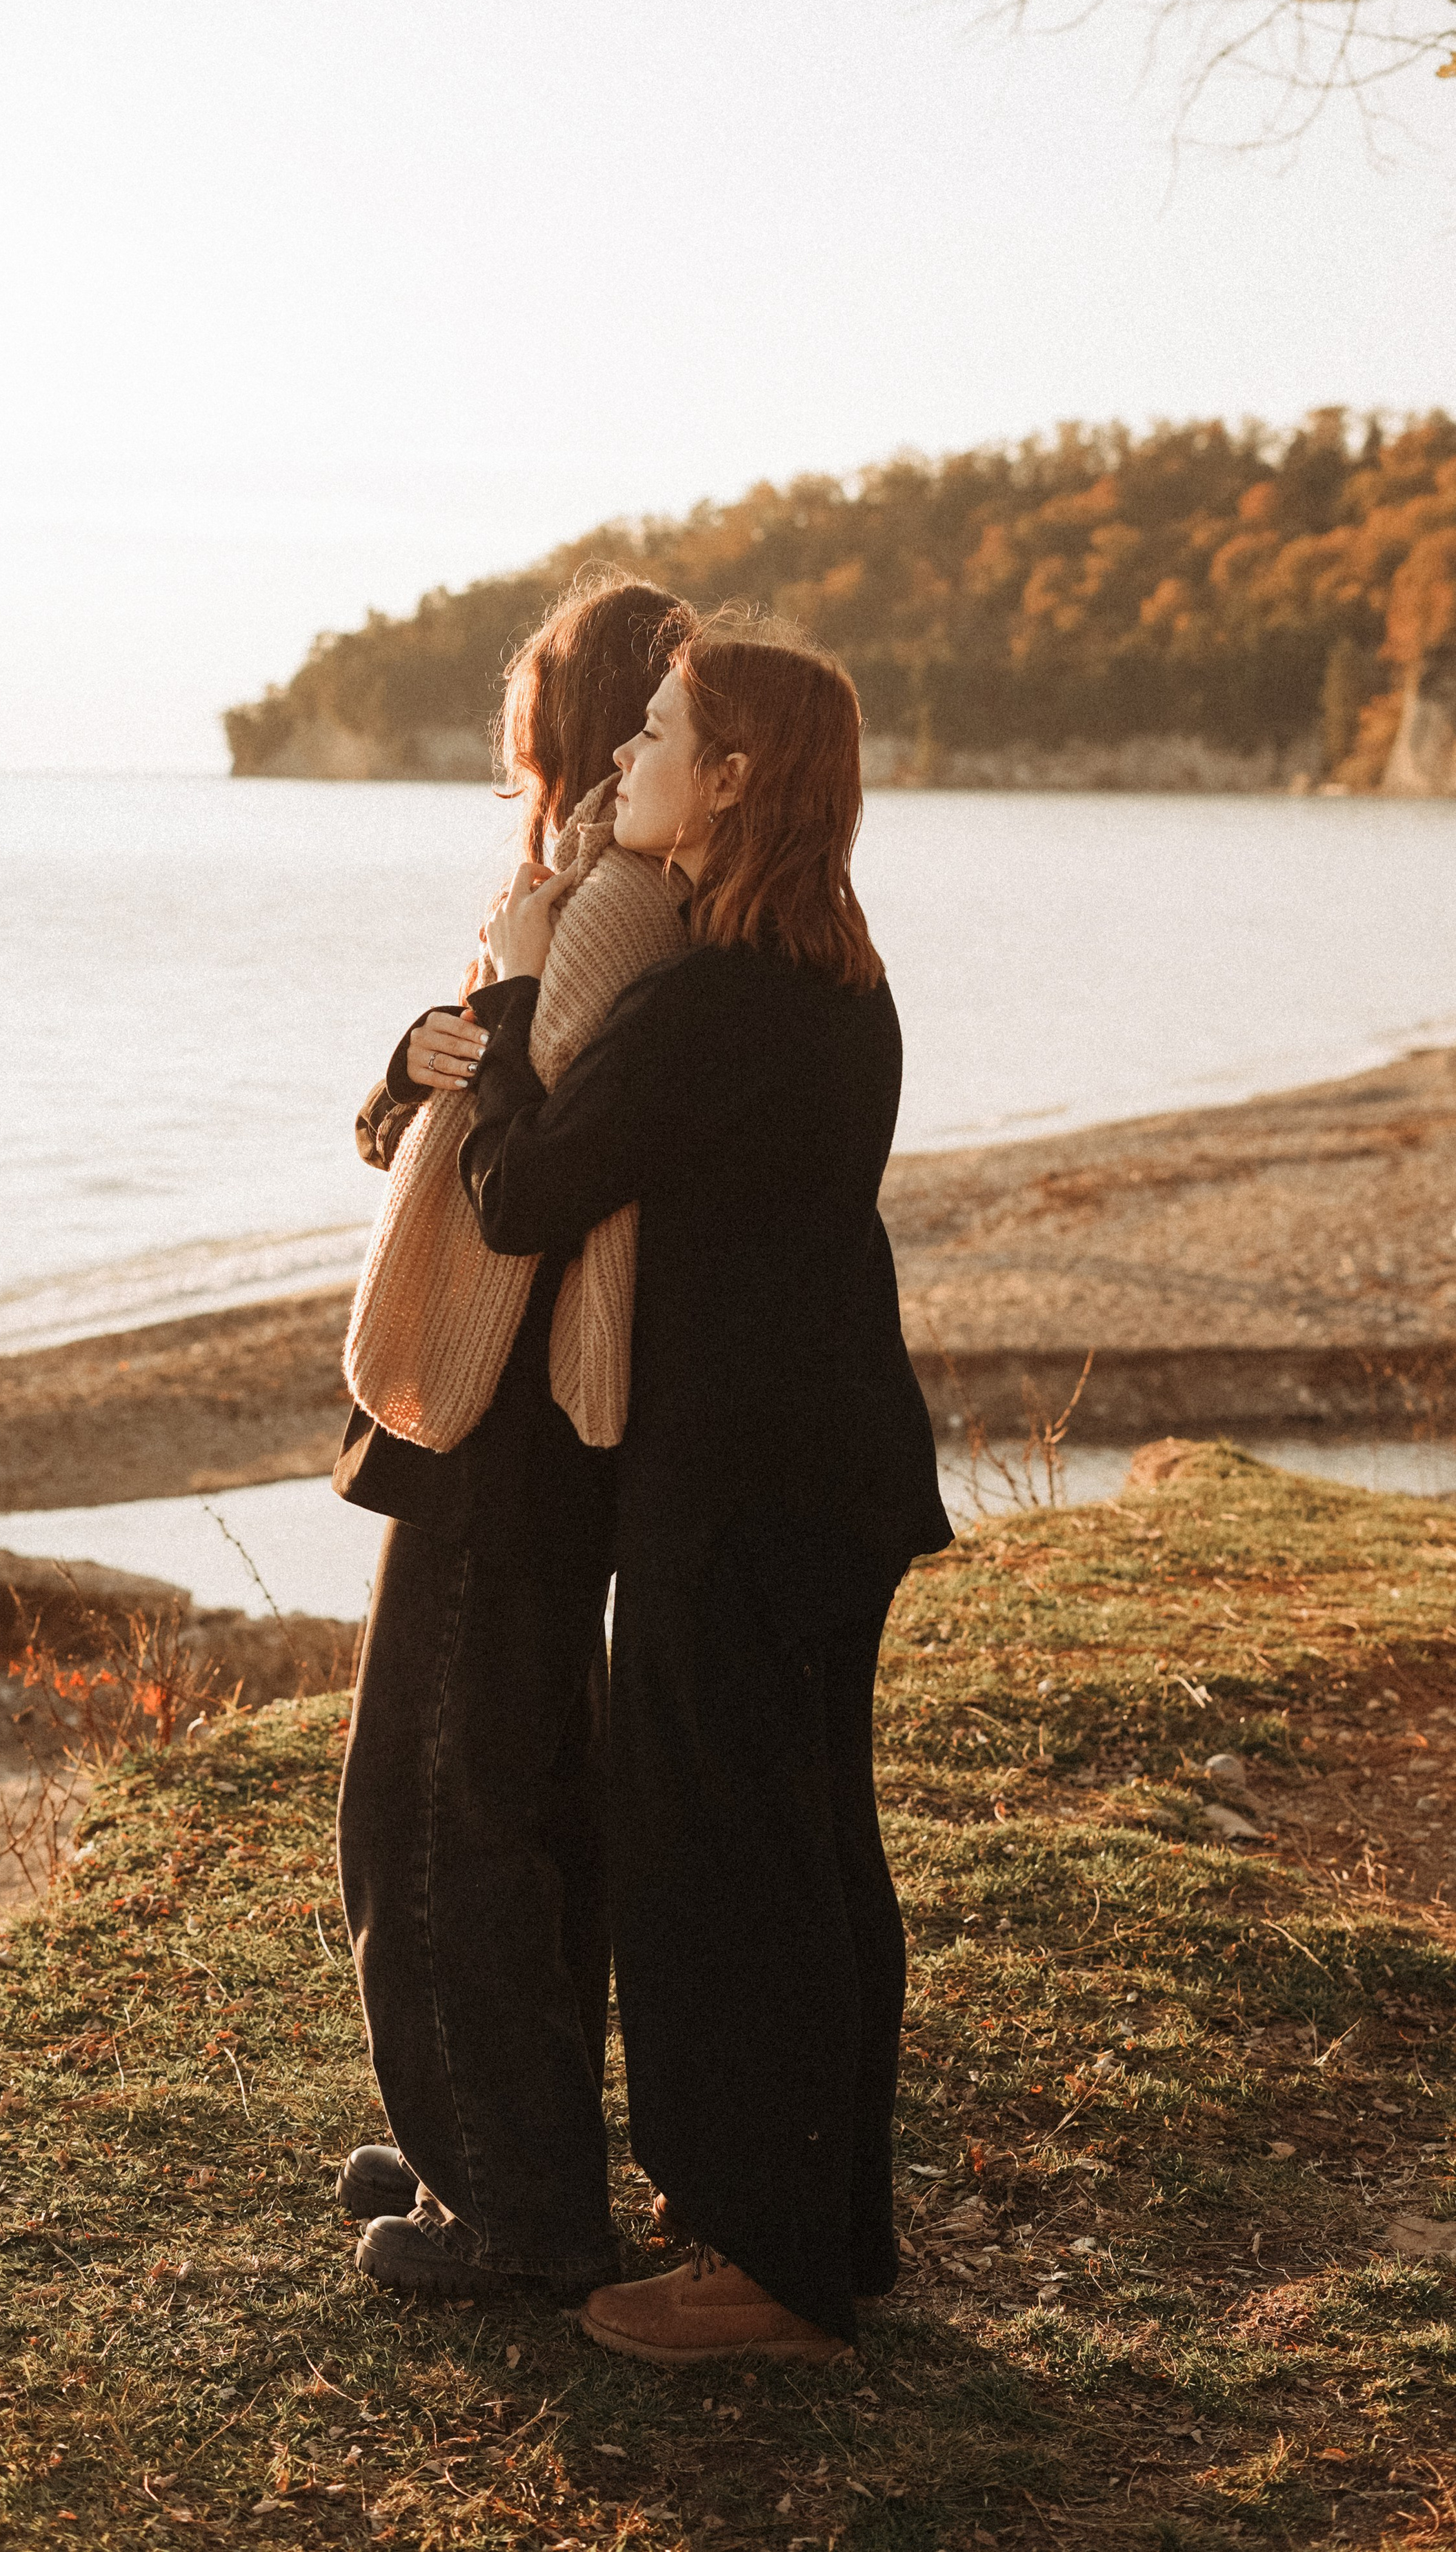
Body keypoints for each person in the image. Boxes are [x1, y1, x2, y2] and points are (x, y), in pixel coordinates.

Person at [459, 613, 953, 2362]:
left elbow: (518, 1195)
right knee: (817, 1853)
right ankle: (827, 2239)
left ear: (732, 781)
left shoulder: (702, 1004)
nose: (619, 763)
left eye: (656, 735)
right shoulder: (842, 977)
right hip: (843, 1468)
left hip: (730, 1491)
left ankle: (761, 2272)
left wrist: (515, 996)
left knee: (719, 1866)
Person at [332, 568, 697, 2297]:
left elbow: (538, 1172)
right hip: (513, 1409)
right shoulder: (563, 899)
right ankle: (496, 2135)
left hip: (509, 1412)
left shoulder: (605, 910)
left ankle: (520, 2213)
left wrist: (487, 1042)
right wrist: (414, 1063)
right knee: (517, 1790)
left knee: (431, 1809)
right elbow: (427, 1121)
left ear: (565, 723)